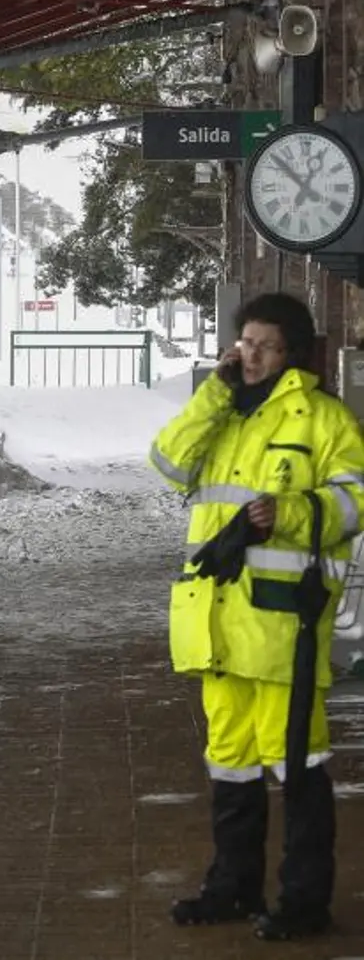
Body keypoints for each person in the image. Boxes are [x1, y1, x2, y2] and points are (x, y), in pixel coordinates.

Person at [150, 291, 364, 942]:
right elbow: (168, 461)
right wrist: (213, 394)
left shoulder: (323, 419)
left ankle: (304, 899)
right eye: (245, 342)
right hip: (216, 626)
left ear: (292, 353)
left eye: (267, 345)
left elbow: (355, 499)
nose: (252, 354)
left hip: (282, 631)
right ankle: (233, 886)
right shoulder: (222, 415)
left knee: (297, 764)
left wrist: (294, 512)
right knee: (232, 764)